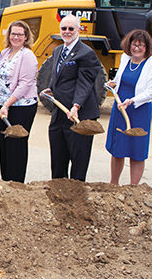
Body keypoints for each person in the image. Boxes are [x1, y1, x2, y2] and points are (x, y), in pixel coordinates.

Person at [43, 14, 103, 181]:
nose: (67, 32)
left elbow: (85, 83)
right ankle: (58, 189)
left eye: (71, 29)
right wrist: (51, 89)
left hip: (79, 115)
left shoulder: (86, 53)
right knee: (58, 156)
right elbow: (59, 77)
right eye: (64, 28)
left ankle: (77, 195)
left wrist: (76, 106)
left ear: (78, 30)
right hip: (60, 112)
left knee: (78, 159)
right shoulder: (57, 51)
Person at [104, 29, 152, 185]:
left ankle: (132, 188)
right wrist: (113, 83)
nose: (137, 48)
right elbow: (120, 78)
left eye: (141, 45)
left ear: (147, 47)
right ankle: (113, 183)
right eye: (134, 44)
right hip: (120, 109)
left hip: (138, 111)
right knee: (118, 149)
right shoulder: (125, 58)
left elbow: (151, 92)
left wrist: (133, 100)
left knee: (137, 150)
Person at [0, 21, 38, 183]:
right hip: (3, 106)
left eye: (19, 34)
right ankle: (6, 181)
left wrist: (7, 104)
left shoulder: (27, 55)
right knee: (4, 143)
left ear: (26, 37)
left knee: (16, 146)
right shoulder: (6, 52)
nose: (15, 37)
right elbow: (0, 76)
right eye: (13, 34)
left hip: (22, 108)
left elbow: (25, 83)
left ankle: (16, 184)